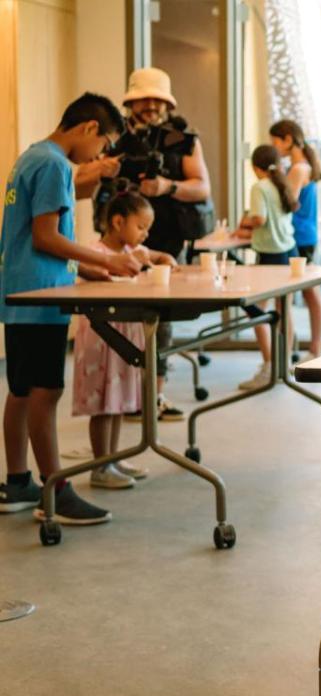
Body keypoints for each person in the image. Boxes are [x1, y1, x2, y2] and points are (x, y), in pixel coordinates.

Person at [0, 92, 143, 521]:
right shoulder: (55, 164)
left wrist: (81, 273)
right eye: (102, 145)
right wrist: (105, 258)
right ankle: (55, 492)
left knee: (22, 392)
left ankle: (19, 482)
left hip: (21, 292)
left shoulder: (32, 156)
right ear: (89, 130)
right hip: (41, 298)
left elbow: (31, 239)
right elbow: (46, 236)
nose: (98, 155)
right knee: (47, 392)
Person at [112, 67, 214, 422]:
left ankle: (154, 395)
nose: (152, 105)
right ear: (131, 100)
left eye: (158, 98)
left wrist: (166, 187)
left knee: (160, 319)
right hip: (117, 239)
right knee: (118, 318)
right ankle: (121, 395)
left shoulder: (181, 137)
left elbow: (202, 187)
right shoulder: (116, 137)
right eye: (145, 98)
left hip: (167, 238)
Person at [73, 191, 177, 489]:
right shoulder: (94, 253)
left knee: (117, 401)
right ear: (118, 222)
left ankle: (114, 459)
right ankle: (100, 465)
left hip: (122, 337)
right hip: (101, 338)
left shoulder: (133, 250)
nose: (145, 234)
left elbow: (155, 255)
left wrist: (163, 257)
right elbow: (95, 275)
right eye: (141, 226)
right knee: (102, 405)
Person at [234, 144, 298, 391]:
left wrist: (244, 221)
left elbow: (259, 219)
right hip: (289, 252)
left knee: (256, 311)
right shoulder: (281, 184)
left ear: (255, 167)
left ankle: (269, 365)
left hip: (271, 256)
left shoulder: (259, 187)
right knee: (285, 310)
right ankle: (284, 363)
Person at [269, 119, 321, 361]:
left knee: (291, 297)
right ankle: (309, 348)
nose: (274, 148)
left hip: (298, 237)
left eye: (276, 142)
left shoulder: (297, 169)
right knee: (307, 294)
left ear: (288, 139)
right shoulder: (303, 166)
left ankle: (305, 351)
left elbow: (286, 203)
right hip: (306, 235)